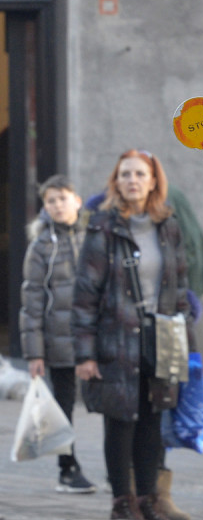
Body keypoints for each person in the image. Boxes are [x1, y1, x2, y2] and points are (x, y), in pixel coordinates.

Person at [73, 149, 192, 520]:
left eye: (140, 174)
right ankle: (122, 501)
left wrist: (184, 332)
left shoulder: (168, 225)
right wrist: (85, 354)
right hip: (116, 337)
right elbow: (84, 294)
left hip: (161, 338)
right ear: (116, 181)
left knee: (152, 420)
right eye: (125, 174)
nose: (133, 181)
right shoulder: (102, 227)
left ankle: (149, 499)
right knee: (120, 421)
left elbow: (181, 284)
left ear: (154, 180)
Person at [19, 175, 96, 494]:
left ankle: (124, 469)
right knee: (63, 407)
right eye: (50, 201)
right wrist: (34, 353)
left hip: (97, 337)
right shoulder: (41, 246)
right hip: (59, 339)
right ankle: (68, 468)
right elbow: (32, 299)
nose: (57, 205)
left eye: (62, 198)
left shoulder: (96, 236)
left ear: (77, 200)